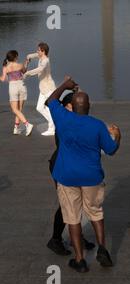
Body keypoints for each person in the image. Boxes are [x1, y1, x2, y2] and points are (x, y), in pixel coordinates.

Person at [45, 77, 121, 273]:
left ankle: (79, 260)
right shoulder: (96, 125)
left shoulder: (62, 118)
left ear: (72, 106)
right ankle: (103, 249)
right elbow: (111, 150)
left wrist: (64, 85)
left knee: (72, 218)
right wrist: (118, 136)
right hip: (91, 177)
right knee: (95, 212)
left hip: (67, 176)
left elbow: (50, 100)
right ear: (89, 106)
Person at [46, 92, 95, 255]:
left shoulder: (73, 120)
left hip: (73, 166)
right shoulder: (63, 121)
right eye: (74, 103)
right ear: (67, 107)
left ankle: (77, 237)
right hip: (60, 165)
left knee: (75, 202)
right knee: (67, 204)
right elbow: (50, 101)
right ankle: (55, 239)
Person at [0, 50, 33, 136]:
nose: (18, 57)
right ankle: (16, 128)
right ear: (15, 57)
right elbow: (24, 71)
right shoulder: (19, 65)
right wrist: (26, 63)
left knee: (15, 109)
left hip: (13, 87)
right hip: (22, 85)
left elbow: (3, 79)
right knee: (19, 109)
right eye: (17, 56)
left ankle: (27, 124)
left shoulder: (5, 67)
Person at [24, 42, 57, 136]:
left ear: (43, 51)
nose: (37, 51)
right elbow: (34, 55)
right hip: (43, 88)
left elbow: (40, 69)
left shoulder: (45, 61)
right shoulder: (41, 56)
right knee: (39, 108)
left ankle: (52, 127)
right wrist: (28, 56)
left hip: (48, 88)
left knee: (49, 108)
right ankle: (53, 123)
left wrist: (27, 73)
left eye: (38, 50)